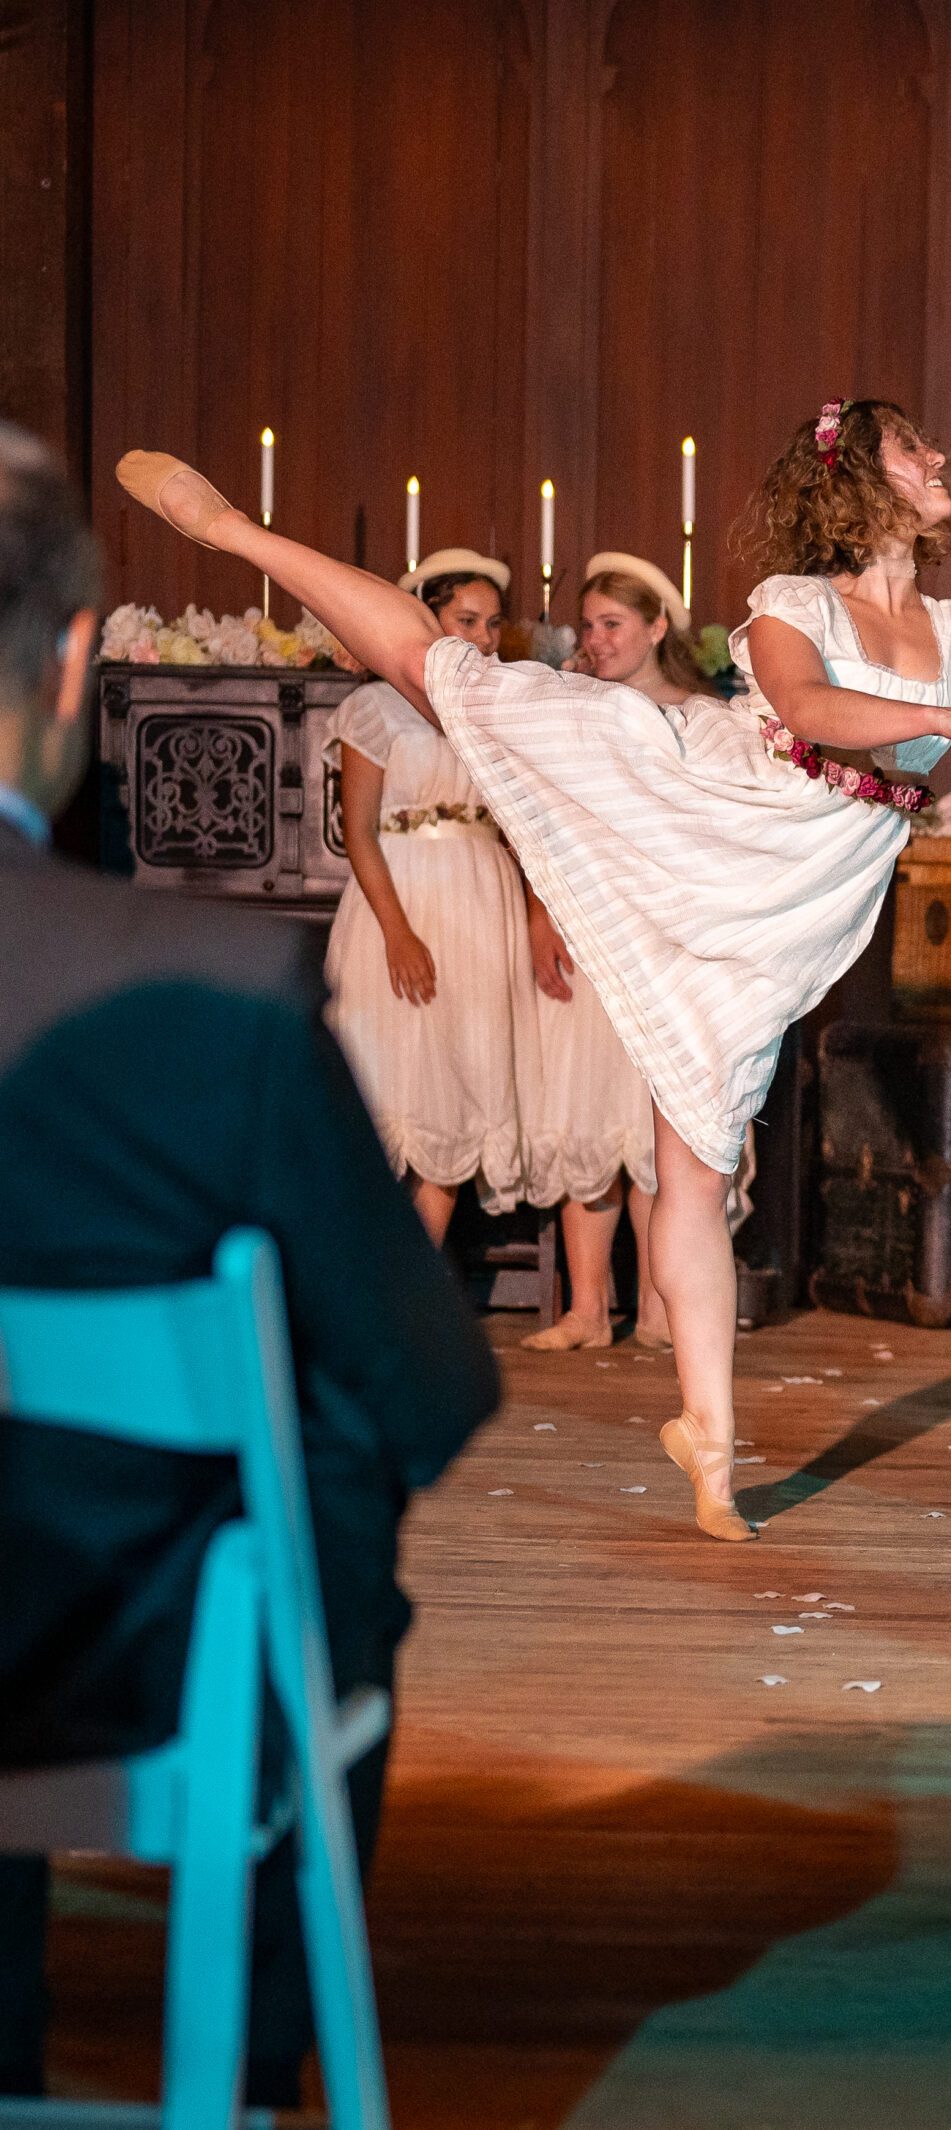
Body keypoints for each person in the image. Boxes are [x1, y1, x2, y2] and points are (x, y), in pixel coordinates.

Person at [114, 402, 951, 1541]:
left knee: (695, 1152)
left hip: (799, 890)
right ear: (861, 477)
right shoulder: (790, 608)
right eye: (912, 447)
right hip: (703, 808)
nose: (939, 458)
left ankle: (698, 1430)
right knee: (445, 674)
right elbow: (806, 708)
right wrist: (941, 714)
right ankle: (235, 532)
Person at [0, 422, 499, 2108]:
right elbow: (428, 1381)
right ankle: (256, 2061)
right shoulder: (211, 995)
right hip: (118, 1660)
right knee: (334, 1504)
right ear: (76, 664)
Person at [509, 553, 712, 1353]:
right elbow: (533, 813)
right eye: (588, 625)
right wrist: (537, 915)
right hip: (588, 920)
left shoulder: (699, 716)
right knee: (592, 1107)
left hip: (666, 931)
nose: (596, 639)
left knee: (657, 1122)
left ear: (657, 626)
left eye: (612, 624)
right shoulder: (574, 709)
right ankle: (588, 1308)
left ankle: (662, 1309)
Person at [322, 547, 532, 1239]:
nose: (482, 637)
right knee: (388, 1080)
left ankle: (420, 1284)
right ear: (426, 618)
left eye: (493, 623)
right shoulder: (374, 707)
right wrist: (398, 931)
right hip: (400, 899)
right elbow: (358, 832)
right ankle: (365, 1282)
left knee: (461, 1082)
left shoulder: (496, 710)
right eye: (466, 619)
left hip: (478, 898)